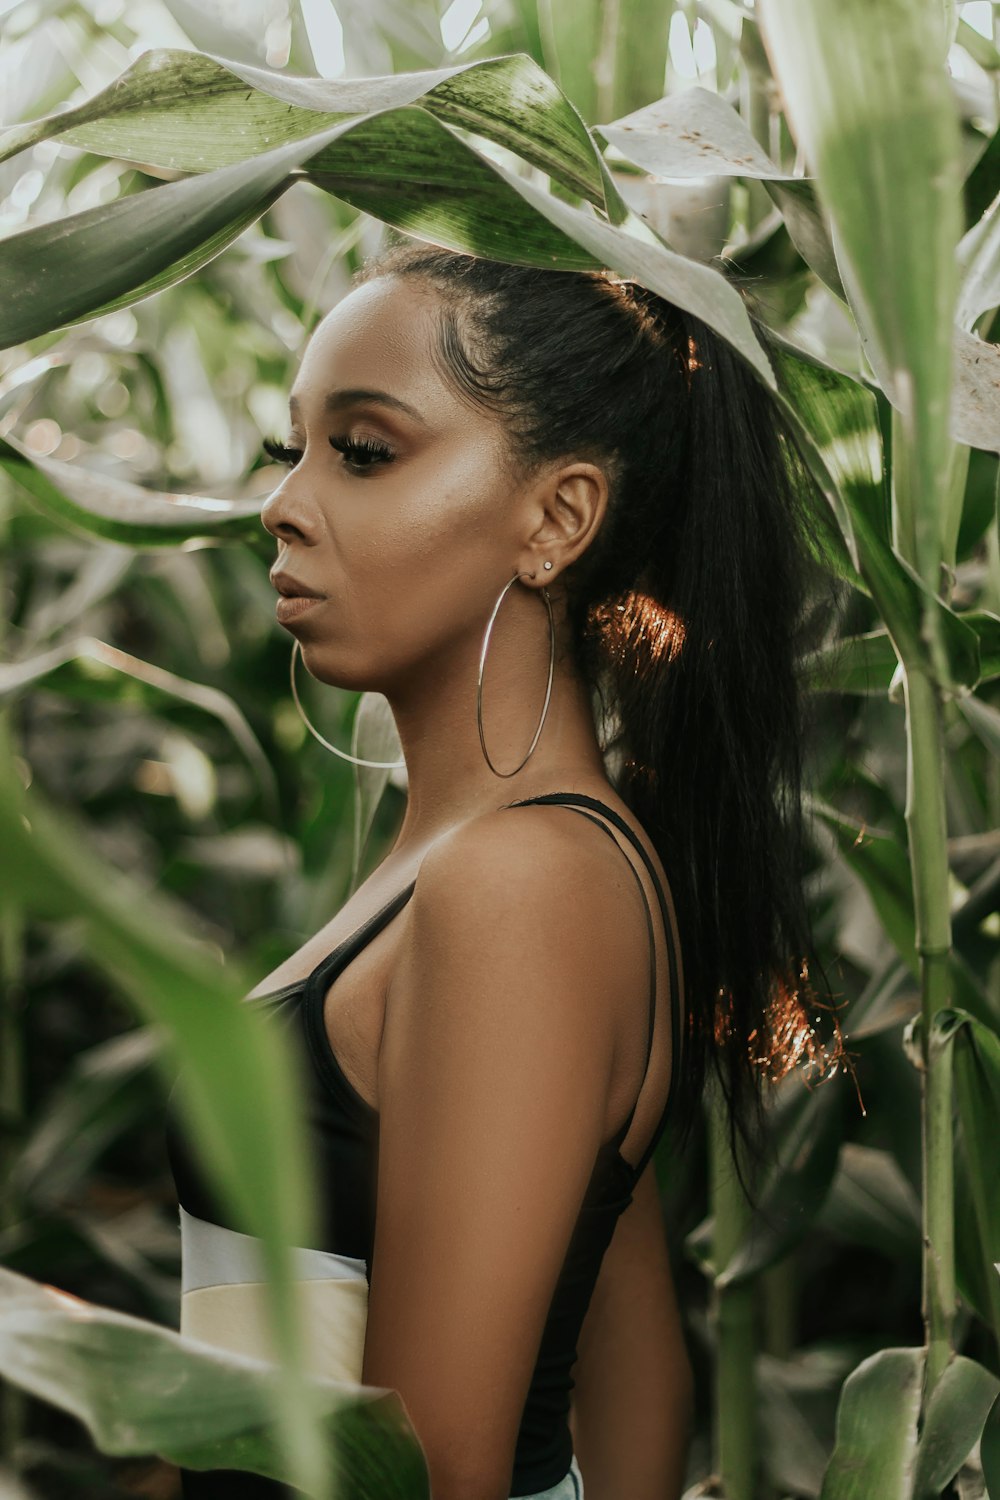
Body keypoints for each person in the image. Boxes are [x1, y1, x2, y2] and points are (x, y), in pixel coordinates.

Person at [165, 235, 839, 1500]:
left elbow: (428, 1473)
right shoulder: (507, 859)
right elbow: (631, 1381)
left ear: (556, 518)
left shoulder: (517, 887)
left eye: (362, 452)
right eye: (291, 446)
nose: (284, 502)